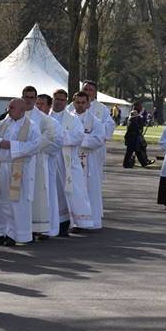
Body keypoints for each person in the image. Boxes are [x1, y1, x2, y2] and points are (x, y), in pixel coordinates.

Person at [0, 98, 41, 246]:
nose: (8, 109)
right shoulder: (1, 124)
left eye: (12, 107)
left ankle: (16, 234)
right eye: (9, 107)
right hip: (0, 166)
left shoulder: (31, 127)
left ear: (22, 110)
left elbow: (35, 145)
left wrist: (11, 145)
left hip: (18, 168)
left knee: (17, 202)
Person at [50, 89, 94, 233]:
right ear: (53, 99)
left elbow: (78, 136)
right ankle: (56, 223)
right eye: (57, 99)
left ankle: (77, 221)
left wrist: (57, 137)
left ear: (66, 101)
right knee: (53, 192)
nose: (59, 102)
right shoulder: (46, 116)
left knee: (73, 191)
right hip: (50, 160)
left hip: (67, 161)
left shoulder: (72, 119)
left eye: (62, 100)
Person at [22, 86, 62, 239]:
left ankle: (41, 227)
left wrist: (33, 147)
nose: (30, 101)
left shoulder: (45, 120)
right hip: (19, 162)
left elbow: (55, 141)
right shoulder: (16, 114)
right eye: (27, 97)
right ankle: (21, 227)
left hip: (39, 162)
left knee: (41, 195)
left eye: (33, 98)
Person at [73, 90, 107, 231]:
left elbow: (99, 139)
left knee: (90, 190)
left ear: (88, 104)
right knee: (75, 190)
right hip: (72, 160)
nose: (80, 105)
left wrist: (79, 139)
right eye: (77, 102)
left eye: (83, 103)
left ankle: (90, 220)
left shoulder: (95, 121)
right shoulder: (69, 119)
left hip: (89, 160)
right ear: (73, 103)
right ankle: (74, 221)